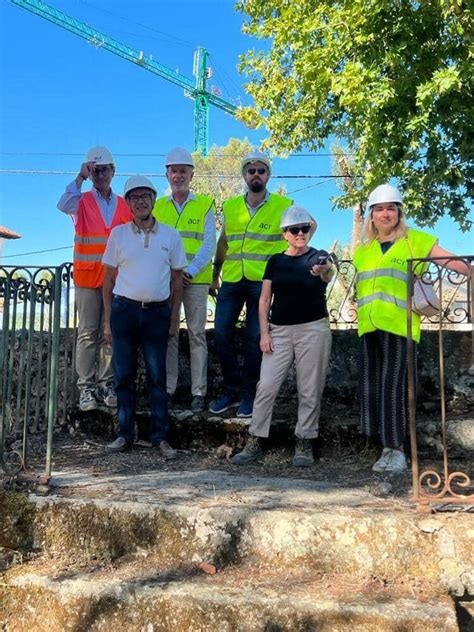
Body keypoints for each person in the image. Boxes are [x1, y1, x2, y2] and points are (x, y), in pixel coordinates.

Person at [353, 184, 470, 473]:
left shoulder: (414, 240)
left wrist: (467, 268)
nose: (385, 213)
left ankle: (397, 451)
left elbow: (451, 261)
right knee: (371, 387)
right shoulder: (363, 251)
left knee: (394, 388)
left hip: (399, 326)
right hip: (368, 326)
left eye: (391, 208)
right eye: (379, 209)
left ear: (399, 213)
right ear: (371, 216)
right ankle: (380, 444)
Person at [231, 205, 334, 466]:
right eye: (294, 229)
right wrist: (264, 333)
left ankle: (305, 441)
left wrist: (324, 270)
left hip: (313, 329)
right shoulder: (275, 261)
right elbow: (264, 300)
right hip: (279, 330)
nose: (300, 233)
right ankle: (255, 439)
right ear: (284, 234)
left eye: (304, 228)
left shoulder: (319, 257)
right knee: (266, 385)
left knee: (310, 388)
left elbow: (328, 271)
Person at [102, 176, 187, 456]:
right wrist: (107, 320)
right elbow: (108, 280)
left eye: (145, 196)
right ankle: (124, 435)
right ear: (128, 203)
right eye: (134, 197)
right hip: (124, 311)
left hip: (157, 314)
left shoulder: (170, 236)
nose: (140, 201)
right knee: (123, 376)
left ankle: (160, 438)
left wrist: (174, 317)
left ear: (153, 200)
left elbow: (177, 281)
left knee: (157, 377)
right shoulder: (118, 235)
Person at [210, 151, 293, 418]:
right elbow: (224, 241)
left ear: (268, 175)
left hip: (263, 282)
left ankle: (249, 395)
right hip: (232, 278)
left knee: (255, 339)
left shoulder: (283, 205)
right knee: (221, 334)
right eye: (251, 170)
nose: (256, 174)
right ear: (245, 175)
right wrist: (215, 272)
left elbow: (304, 229)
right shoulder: (232, 206)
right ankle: (231, 390)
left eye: (261, 170)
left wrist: (288, 266)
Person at [57, 146, 132, 412]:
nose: (100, 175)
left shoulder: (124, 204)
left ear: (113, 171)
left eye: (104, 169)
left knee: (109, 334)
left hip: (116, 279)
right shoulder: (81, 202)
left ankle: (106, 383)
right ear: (90, 171)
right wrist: (80, 177)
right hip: (88, 276)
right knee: (87, 333)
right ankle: (85, 387)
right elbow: (63, 203)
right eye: (95, 170)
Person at [153, 148, 216, 413]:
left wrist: (188, 271)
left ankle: (198, 392)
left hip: (196, 280)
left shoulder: (205, 204)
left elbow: (209, 242)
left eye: (183, 170)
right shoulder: (157, 207)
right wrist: (172, 275)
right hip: (165, 281)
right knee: (168, 335)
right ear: (166, 175)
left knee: (197, 334)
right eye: (173, 170)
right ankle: (168, 389)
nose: (178, 175)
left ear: (192, 174)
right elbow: (154, 245)